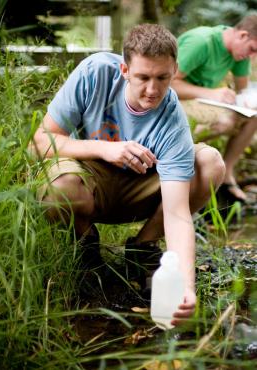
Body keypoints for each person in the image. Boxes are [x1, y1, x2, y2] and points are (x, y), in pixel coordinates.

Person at [30, 24, 225, 326]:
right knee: (59, 189)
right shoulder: (95, 74)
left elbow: (177, 213)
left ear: (174, 69)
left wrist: (186, 285)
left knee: (210, 163)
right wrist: (105, 150)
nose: (152, 90)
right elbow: (40, 143)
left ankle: (141, 249)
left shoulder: (172, 119)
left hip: (141, 185)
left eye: (162, 78)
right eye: (143, 77)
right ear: (124, 70)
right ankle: (86, 248)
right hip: (91, 174)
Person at [171, 14, 257, 206]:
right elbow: (165, 84)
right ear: (243, 35)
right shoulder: (201, 42)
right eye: (253, 50)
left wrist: (247, 102)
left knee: (253, 117)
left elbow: (243, 91)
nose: (252, 58)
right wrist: (211, 93)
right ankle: (180, 163)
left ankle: (227, 173)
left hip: (201, 102)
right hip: (173, 102)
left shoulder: (239, 53)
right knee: (225, 121)